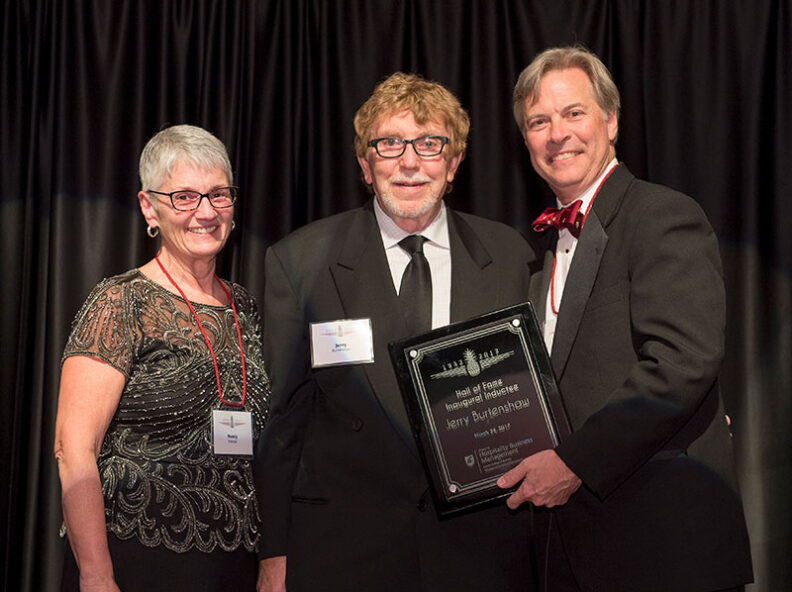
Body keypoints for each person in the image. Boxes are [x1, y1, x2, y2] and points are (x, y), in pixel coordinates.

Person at [255, 72, 536, 591]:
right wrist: (273, 552)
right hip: (345, 551)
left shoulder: (511, 258)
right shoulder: (301, 261)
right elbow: (281, 423)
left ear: (453, 164)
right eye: (390, 144)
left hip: (481, 551)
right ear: (365, 165)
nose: (410, 162)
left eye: (430, 144)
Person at [498, 45, 754, 591]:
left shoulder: (662, 215)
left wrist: (574, 462)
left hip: (662, 548)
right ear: (526, 142)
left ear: (610, 121)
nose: (557, 133)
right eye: (538, 121)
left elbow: (682, 362)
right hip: (569, 552)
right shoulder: (538, 253)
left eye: (573, 113)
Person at [54, 124, 270, 591]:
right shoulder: (120, 302)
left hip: (234, 565)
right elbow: (74, 450)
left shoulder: (247, 308)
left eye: (218, 194)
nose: (206, 212)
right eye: (185, 197)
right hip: (138, 559)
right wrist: (96, 575)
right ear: (149, 207)